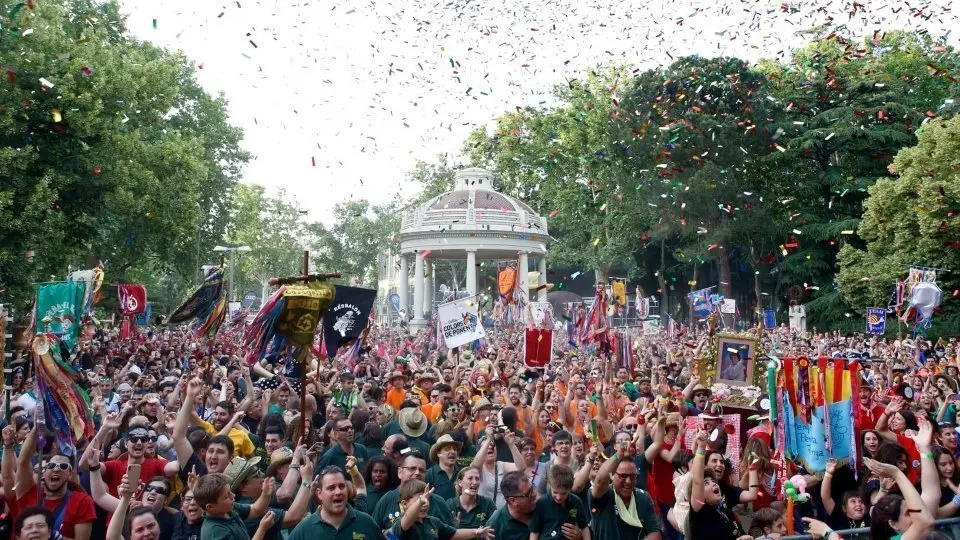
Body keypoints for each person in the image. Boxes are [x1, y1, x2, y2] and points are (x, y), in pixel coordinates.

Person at [2, 425, 97, 540]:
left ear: (70, 474)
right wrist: (38, 424)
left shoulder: (82, 501)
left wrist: (54, 537)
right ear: (44, 472)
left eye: (63, 466)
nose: (56, 469)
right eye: (51, 466)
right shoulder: (29, 493)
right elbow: (23, 461)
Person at [286, 466, 384, 540]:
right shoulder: (304, 530)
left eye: (341, 486)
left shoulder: (366, 523)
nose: (338, 492)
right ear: (320, 493)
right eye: (331, 488)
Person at [588, 441, 660, 540]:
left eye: (633, 476)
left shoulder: (643, 497)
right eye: (623, 476)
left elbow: (655, 533)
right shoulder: (602, 494)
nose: (628, 481)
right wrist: (619, 455)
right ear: (612, 475)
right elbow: (600, 480)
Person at [688, 431, 746, 539]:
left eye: (713, 481)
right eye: (706, 483)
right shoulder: (699, 508)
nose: (714, 484)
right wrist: (701, 447)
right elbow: (697, 481)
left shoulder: (725, 511)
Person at [390, 480, 495, 539]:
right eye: (421, 500)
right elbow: (408, 517)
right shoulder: (402, 522)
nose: (425, 503)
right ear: (404, 504)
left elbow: (455, 534)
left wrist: (476, 532)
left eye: (427, 499)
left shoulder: (433, 521)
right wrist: (421, 501)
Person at [192, 473, 275, 540]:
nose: (233, 495)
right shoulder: (215, 531)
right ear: (210, 507)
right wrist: (262, 529)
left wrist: (266, 494)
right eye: (226, 496)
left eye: (230, 491)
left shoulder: (228, 509)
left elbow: (255, 510)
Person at [529, 464, 590, 540]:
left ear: (570, 488)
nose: (559, 497)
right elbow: (534, 532)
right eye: (555, 492)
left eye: (563, 493)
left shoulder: (576, 502)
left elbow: (584, 527)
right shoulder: (541, 503)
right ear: (550, 485)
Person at [484, 471, 538, 540]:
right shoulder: (495, 526)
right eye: (528, 493)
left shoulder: (542, 507)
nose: (534, 494)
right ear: (513, 501)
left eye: (532, 488)